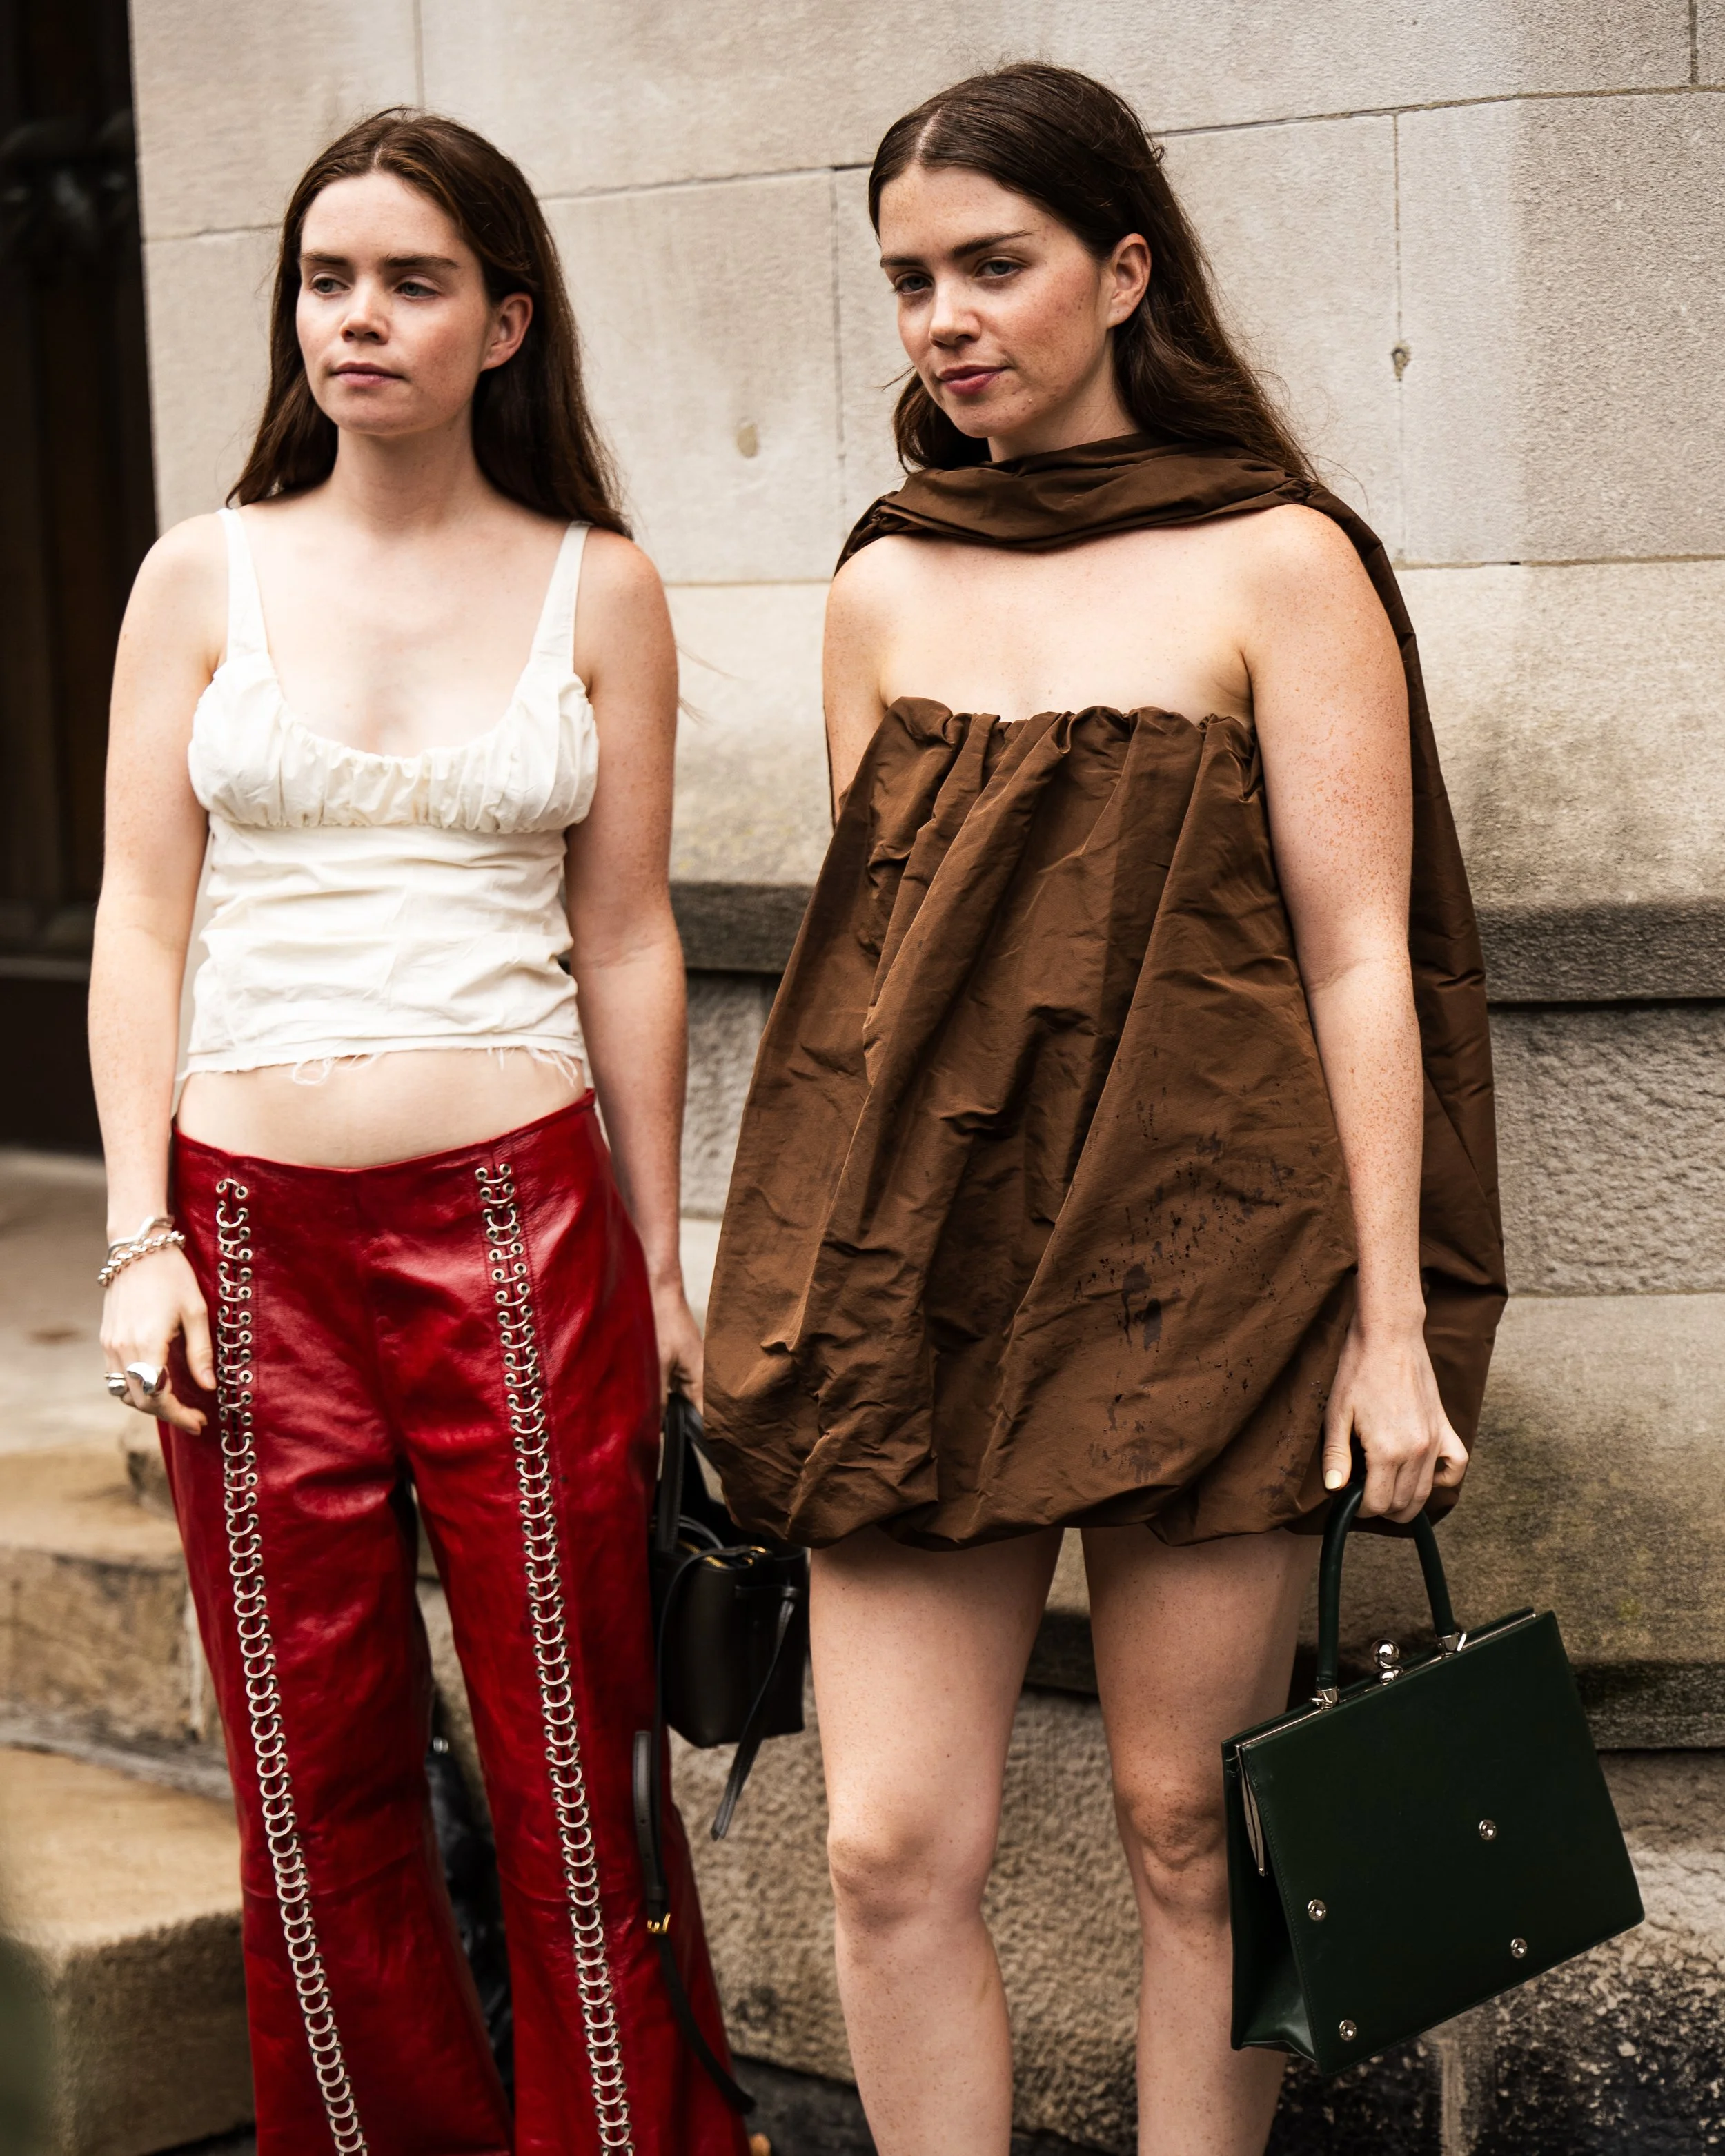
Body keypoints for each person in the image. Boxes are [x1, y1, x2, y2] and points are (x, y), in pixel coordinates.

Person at [702, 62, 1506, 2156]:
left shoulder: (1279, 560)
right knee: (886, 1842)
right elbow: (885, 983)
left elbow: (1363, 953)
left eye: (994, 264)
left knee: (1180, 1822)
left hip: (1209, 1272)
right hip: (925, 1276)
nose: (945, 318)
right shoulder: (884, 576)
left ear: (1122, 267)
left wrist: (1390, 1322)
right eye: (907, 282)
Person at [91, 108, 750, 2156]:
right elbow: (139, 915)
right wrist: (136, 1231)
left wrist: (655, 1245)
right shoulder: (197, 569)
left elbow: (626, 934)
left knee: (583, 1757)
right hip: (250, 1239)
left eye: (409, 281)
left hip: (517, 1222)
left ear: (505, 324)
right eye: (323, 277)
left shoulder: (599, 584)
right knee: (313, 1782)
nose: (355, 318)